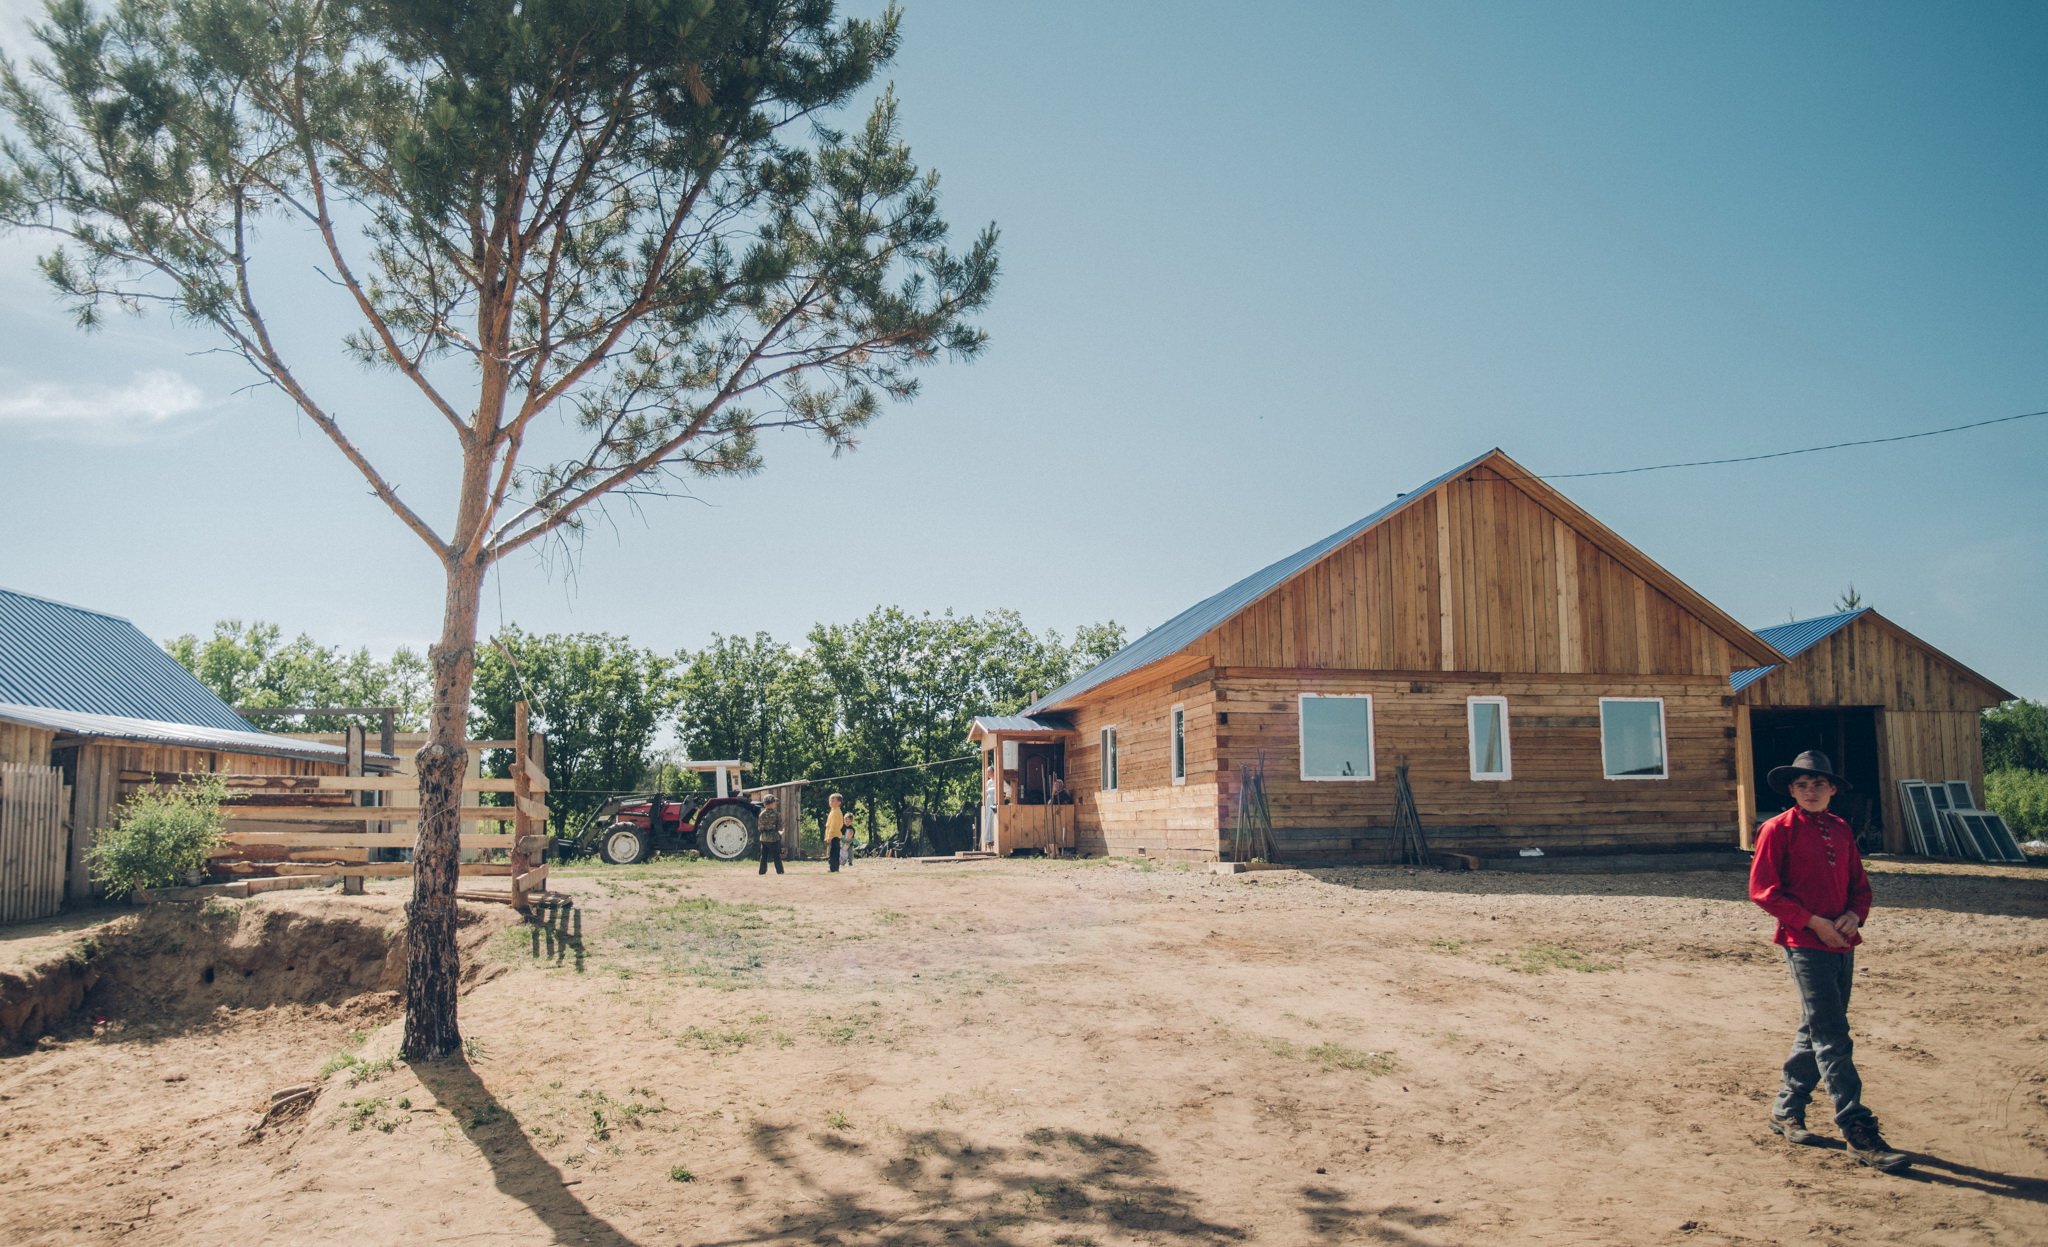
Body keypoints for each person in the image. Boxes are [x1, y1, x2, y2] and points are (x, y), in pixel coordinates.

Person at [1748, 749, 1907, 1172]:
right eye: (1802, 785)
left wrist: (1855, 915)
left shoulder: (1840, 829)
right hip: (1804, 942)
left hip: (1842, 941)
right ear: (1792, 790)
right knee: (1833, 1032)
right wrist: (1813, 922)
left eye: (1819, 783)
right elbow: (1763, 890)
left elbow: (1860, 886)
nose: (1811, 790)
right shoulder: (1776, 830)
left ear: (1833, 789)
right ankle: (1857, 1128)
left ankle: (1785, 1109)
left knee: (1817, 1026)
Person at [755, 793, 784, 876]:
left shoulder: (761, 814)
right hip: (774, 838)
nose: (775, 803)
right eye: (774, 802)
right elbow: (779, 826)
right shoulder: (777, 814)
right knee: (776, 856)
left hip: (763, 839)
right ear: (771, 803)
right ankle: (780, 871)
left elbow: (760, 828)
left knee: (763, 856)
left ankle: (762, 871)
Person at [824, 792, 847, 872]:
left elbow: (833, 826)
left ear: (839, 803)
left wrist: (829, 837)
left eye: (833, 801)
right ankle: (834, 868)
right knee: (833, 852)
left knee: (833, 853)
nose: (831, 802)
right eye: (830, 800)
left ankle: (833, 868)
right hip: (834, 835)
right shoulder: (833, 811)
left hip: (834, 836)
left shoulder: (836, 812)